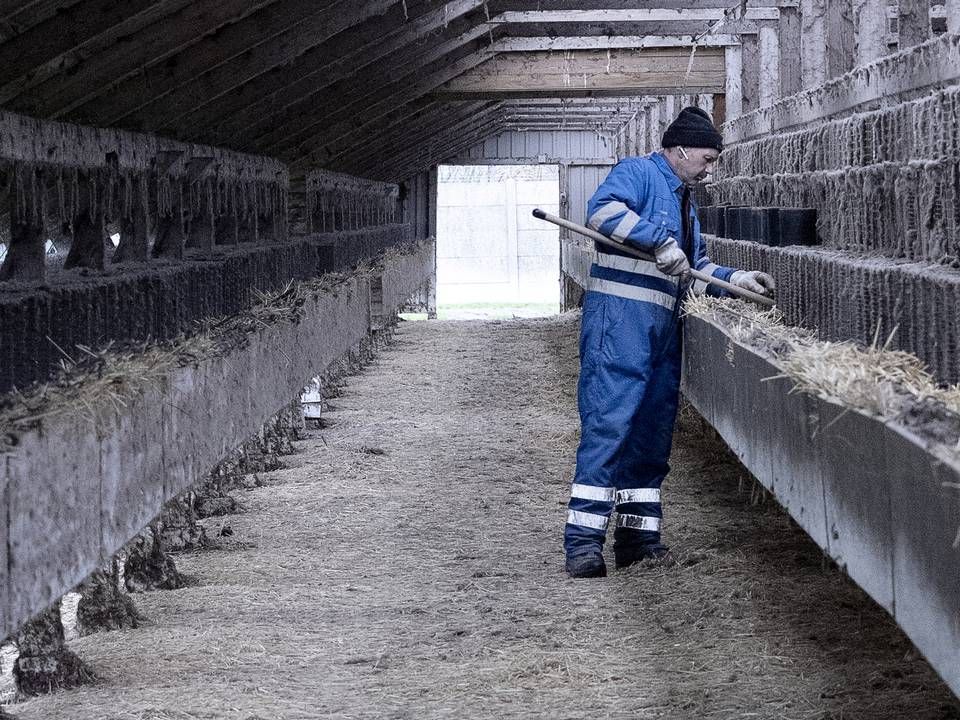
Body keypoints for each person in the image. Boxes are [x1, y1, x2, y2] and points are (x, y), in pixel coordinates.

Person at [564, 106, 775, 579]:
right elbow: (602, 212)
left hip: (661, 334)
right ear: (679, 150)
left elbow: (693, 271)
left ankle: (638, 540)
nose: (709, 169)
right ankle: (583, 543)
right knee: (608, 428)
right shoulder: (637, 173)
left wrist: (737, 278)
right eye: (706, 158)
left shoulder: (686, 200)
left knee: (652, 435)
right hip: (620, 326)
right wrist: (657, 241)